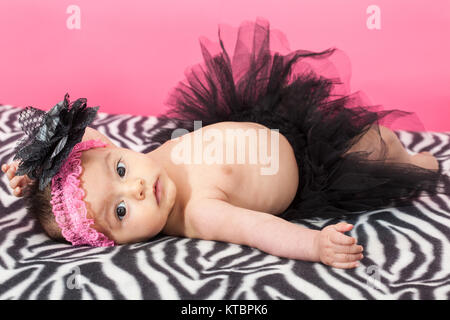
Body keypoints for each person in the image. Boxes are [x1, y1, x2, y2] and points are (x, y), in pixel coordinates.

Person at [2, 18, 448, 269]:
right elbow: (259, 231)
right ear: (112, 244)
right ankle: (413, 162)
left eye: (121, 171)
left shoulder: (132, 162)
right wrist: (314, 246)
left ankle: (400, 151)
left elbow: (87, 141)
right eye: (121, 213)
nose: (135, 189)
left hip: (263, 120)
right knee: (375, 146)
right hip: (309, 167)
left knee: (352, 117)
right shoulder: (201, 211)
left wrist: (39, 164)